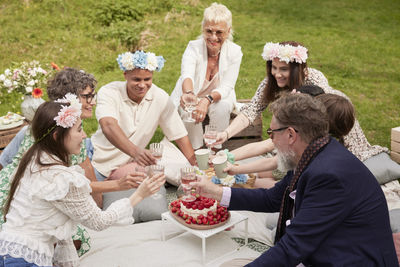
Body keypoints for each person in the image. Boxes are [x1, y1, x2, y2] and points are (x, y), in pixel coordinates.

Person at [193, 93, 398, 266]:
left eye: (272, 132)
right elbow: (272, 198)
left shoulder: (329, 176)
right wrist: (215, 192)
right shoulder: (312, 153)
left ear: (291, 135)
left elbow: (293, 247)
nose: (271, 139)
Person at [0, 101, 165, 267]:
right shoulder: (63, 179)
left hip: (6, 248)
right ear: (57, 137)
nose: (85, 135)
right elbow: (100, 221)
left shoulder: (35, 157)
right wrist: (139, 195)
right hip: (22, 260)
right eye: (79, 130)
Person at [0, 68, 141, 257]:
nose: (92, 101)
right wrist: (118, 187)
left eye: (93, 95)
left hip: (18, 205)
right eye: (87, 96)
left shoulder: (36, 128)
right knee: (78, 238)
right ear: (69, 100)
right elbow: (91, 199)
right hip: (17, 207)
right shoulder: (69, 144)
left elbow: (4, 162)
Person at [89, 50, 196, 222]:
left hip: (127, 165)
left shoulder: (160, 97)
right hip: (97, 160)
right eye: (136, 79)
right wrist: (136, 152)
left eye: (147, 79)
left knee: (150, 200)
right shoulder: (109, 91)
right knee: (89, 212)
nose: (142, 85)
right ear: (125, 75)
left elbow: (179, 135)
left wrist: (196, 166)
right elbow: (108, 125)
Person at [169, 2, 242, 149]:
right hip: (193, 93)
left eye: (219, 32)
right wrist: (189, 94)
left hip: (218, 96)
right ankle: (194, 151)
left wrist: (207, 100)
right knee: (188, 108)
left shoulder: (235, 52)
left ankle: (215, 150)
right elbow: (187, 74)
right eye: (209, 31)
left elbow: (227, 86)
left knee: (222, 107)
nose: (213, 37)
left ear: (228, 31)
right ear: (203, 29)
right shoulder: (193, 47)